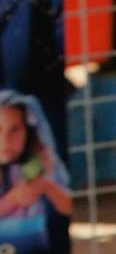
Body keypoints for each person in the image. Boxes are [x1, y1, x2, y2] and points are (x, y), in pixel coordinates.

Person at [0, 90, 72, 220]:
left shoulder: (38, 161)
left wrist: (46, 186)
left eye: (14, 129)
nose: (6, 140)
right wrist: (13, 199)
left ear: (28, 131)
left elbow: (70, 206)